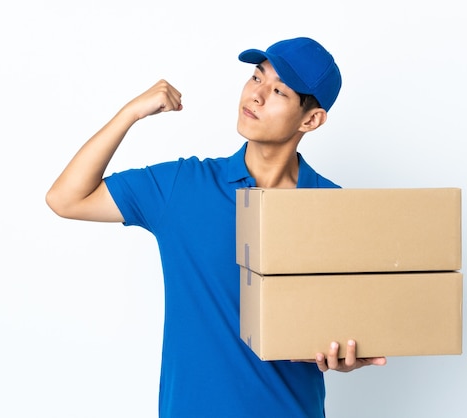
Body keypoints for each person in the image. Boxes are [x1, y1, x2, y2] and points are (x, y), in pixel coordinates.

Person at [46, 36, 386, 417]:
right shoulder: (183, 186)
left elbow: (349, 322)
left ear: (311, 119)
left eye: (278, 91)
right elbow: (65, 199)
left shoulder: (338, 210)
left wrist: (347, 352)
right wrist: (130, 113)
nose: (255, 96)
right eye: (257, 78)